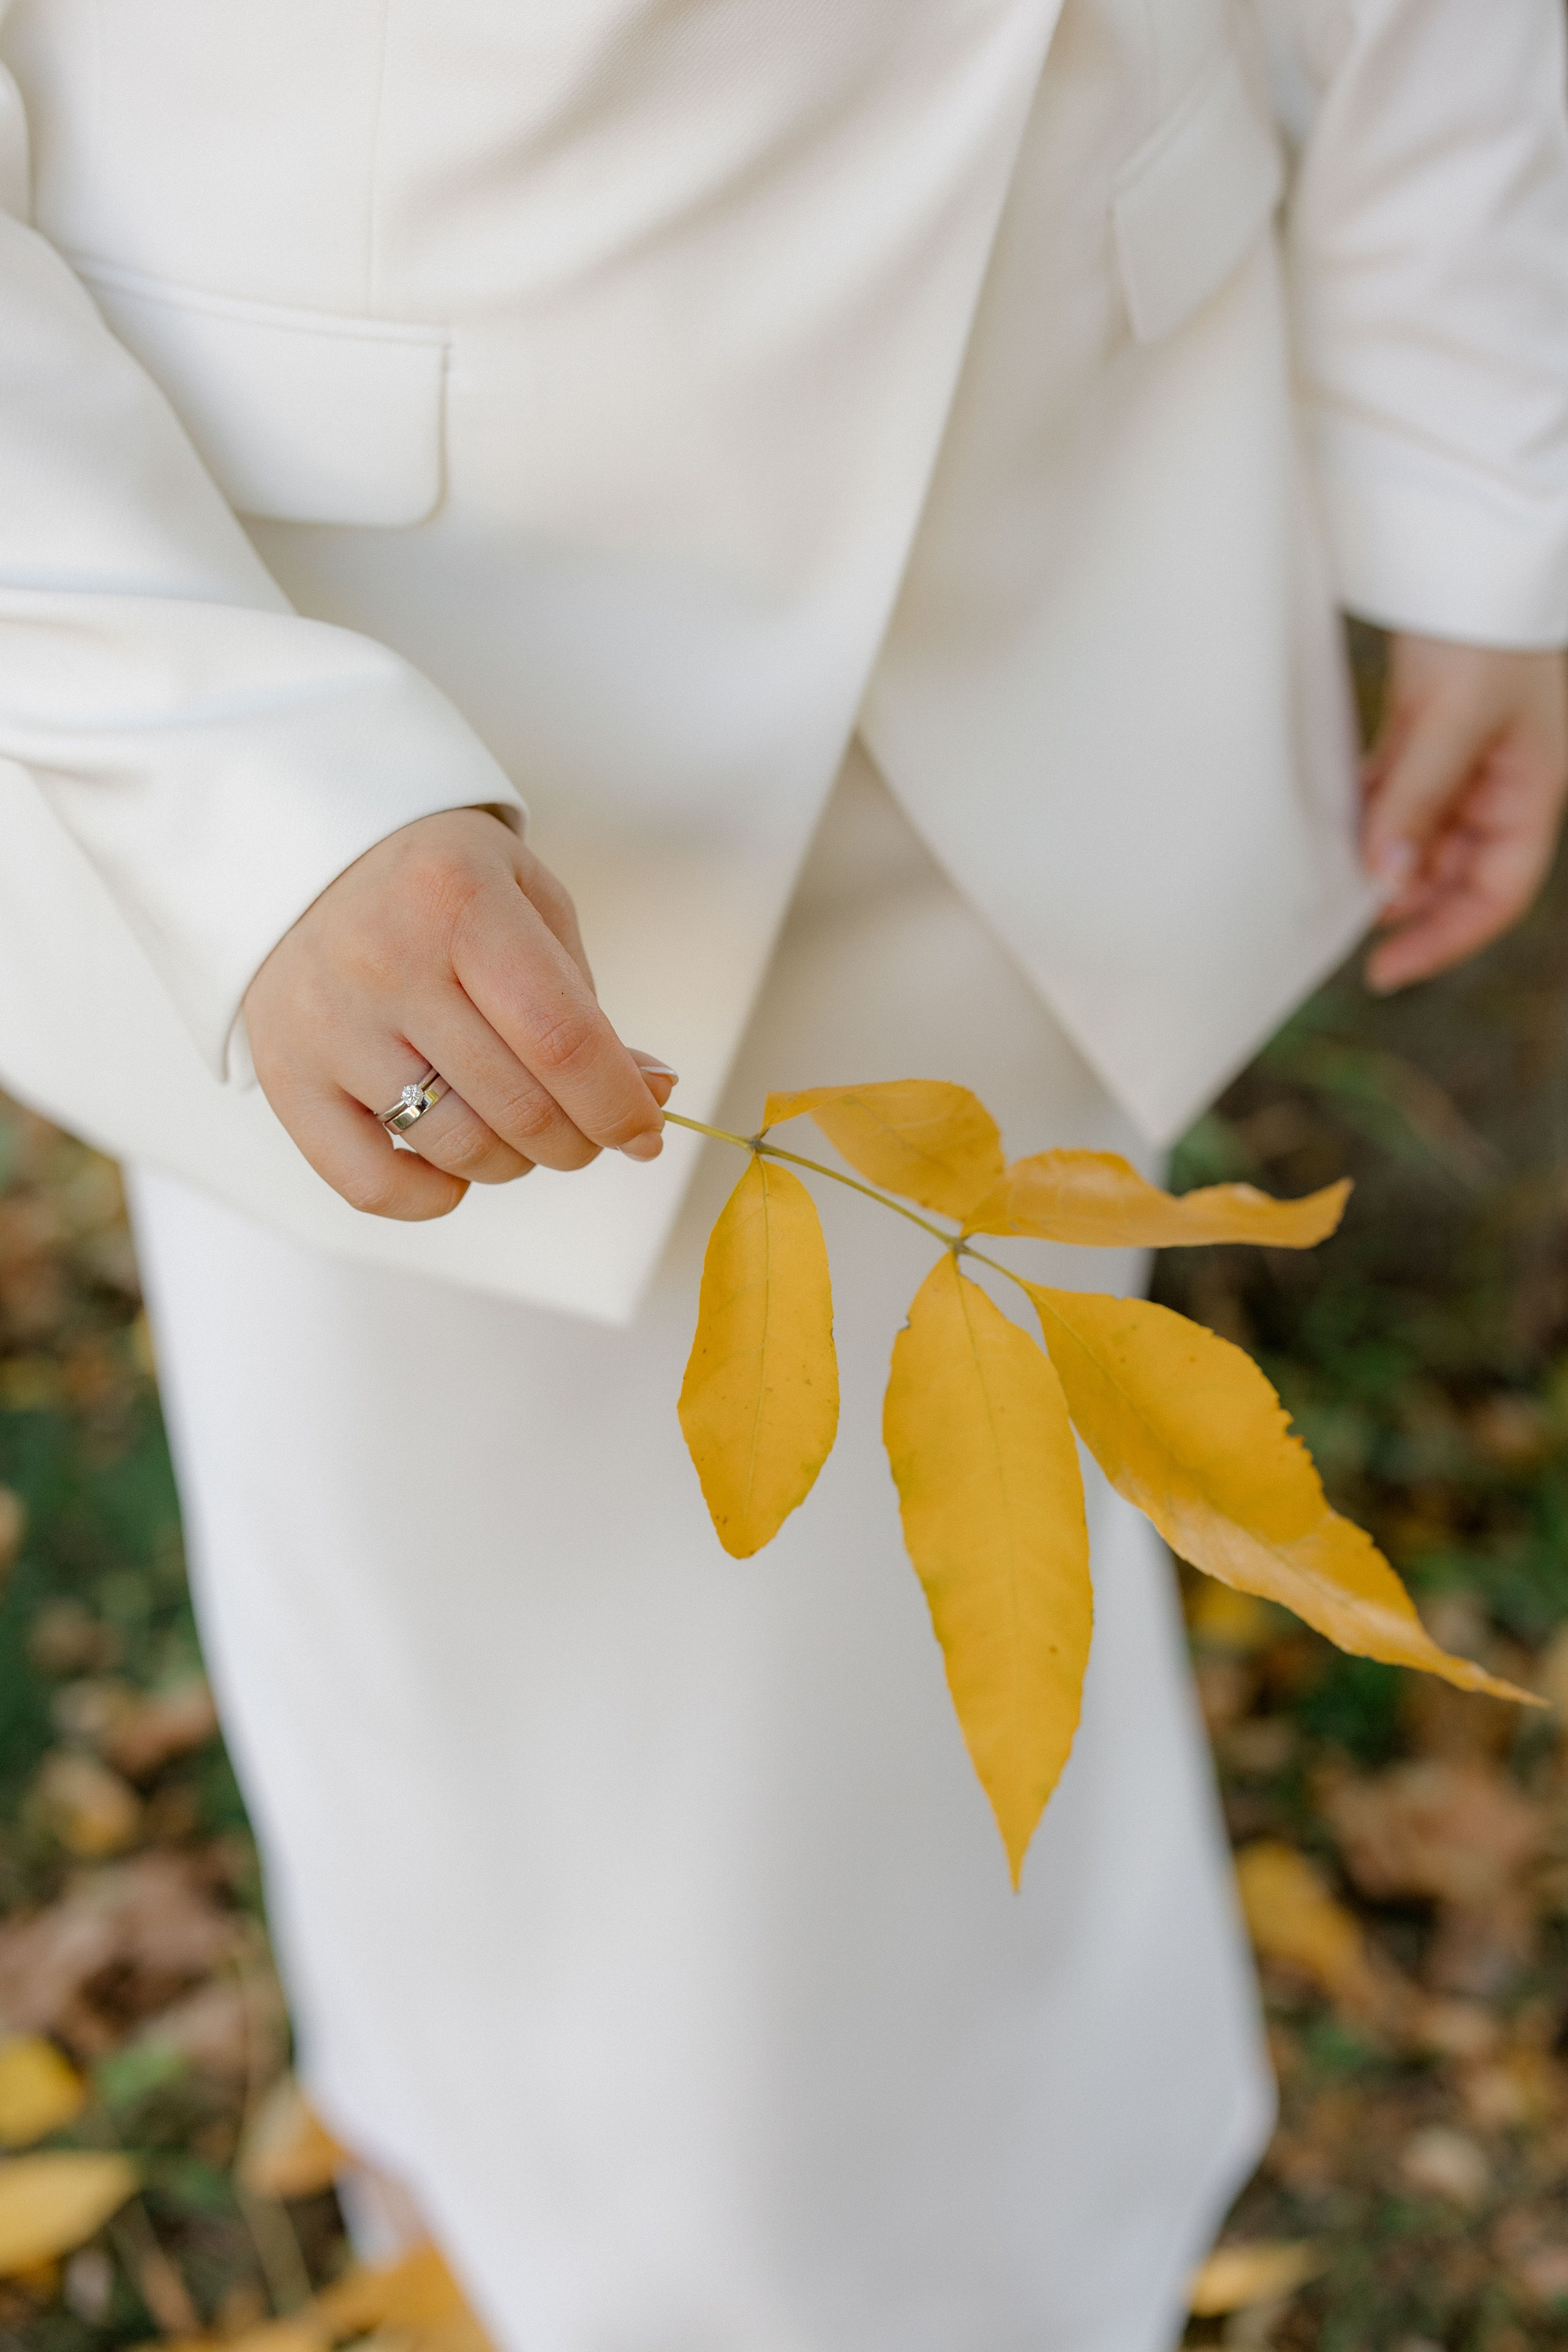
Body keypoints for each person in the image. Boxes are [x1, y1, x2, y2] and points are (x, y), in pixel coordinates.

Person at [1, 1, 1566, 2343]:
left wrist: (1474, 467)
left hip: (1073, 519)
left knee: (956, 1647)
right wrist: (245, 783)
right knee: (537, 1725)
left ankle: (1023, 2233)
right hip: (424, 722)